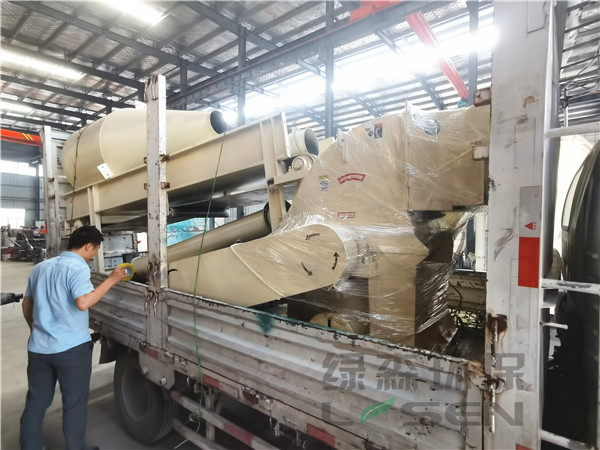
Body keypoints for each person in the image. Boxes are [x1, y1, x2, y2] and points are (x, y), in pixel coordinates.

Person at [19, 225, 128, 450]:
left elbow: (26, 305)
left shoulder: (41, 267)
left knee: (36, 401)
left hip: (39, 349)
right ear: (88, 246)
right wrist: (111, 280)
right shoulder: (78, 268)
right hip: (71, 350)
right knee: (74, 404)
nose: (94, 254)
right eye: (95, 249)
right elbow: (83, 302)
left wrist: (35, 330)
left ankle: (30, 446)